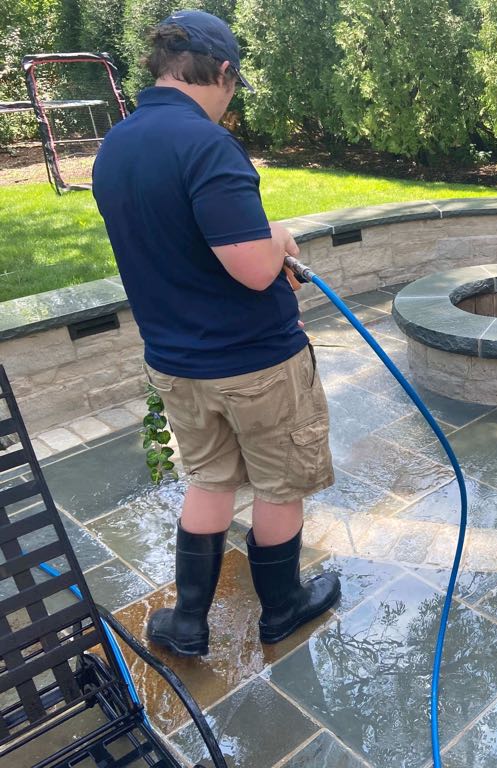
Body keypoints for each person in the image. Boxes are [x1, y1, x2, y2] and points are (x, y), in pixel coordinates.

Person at [92, 10, 340, 656]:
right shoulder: (204, 145)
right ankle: (282, 610)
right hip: (255, 364)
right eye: (233, 88)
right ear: (223, 72)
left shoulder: (115, 148)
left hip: (177, 366)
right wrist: (280, 240)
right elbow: (257, 269)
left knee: (210, 480)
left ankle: (188, 624)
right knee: (280, 485)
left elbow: (174, 247)